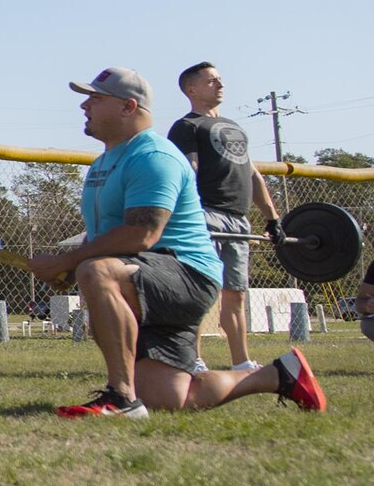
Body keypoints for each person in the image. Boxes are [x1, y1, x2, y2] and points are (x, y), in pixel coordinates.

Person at [27, 67, 324, 417]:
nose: (85, 106)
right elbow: (107, 239)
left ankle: (121, 398)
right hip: (150, 275)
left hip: (188, 275)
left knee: (97, 271)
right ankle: (280, 374)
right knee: (172, 397)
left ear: (128, 107)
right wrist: (73, 268)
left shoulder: (154, 157)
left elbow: (143, 233)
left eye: (96, 98)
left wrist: (71, 262)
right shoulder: (103, 163)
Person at [167, 61, 283, 371]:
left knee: (236, 295)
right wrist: (184, 215)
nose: (220, 84)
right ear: (191, 89)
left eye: (220, 79)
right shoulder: (186, 126)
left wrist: (272, 218)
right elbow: (185, 172)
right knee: (197, 292)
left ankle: (241, 363)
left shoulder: (235, 128)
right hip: (204, 216)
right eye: (211, 81)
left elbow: (253, 173)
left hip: (238, 220)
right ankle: (194, 361)